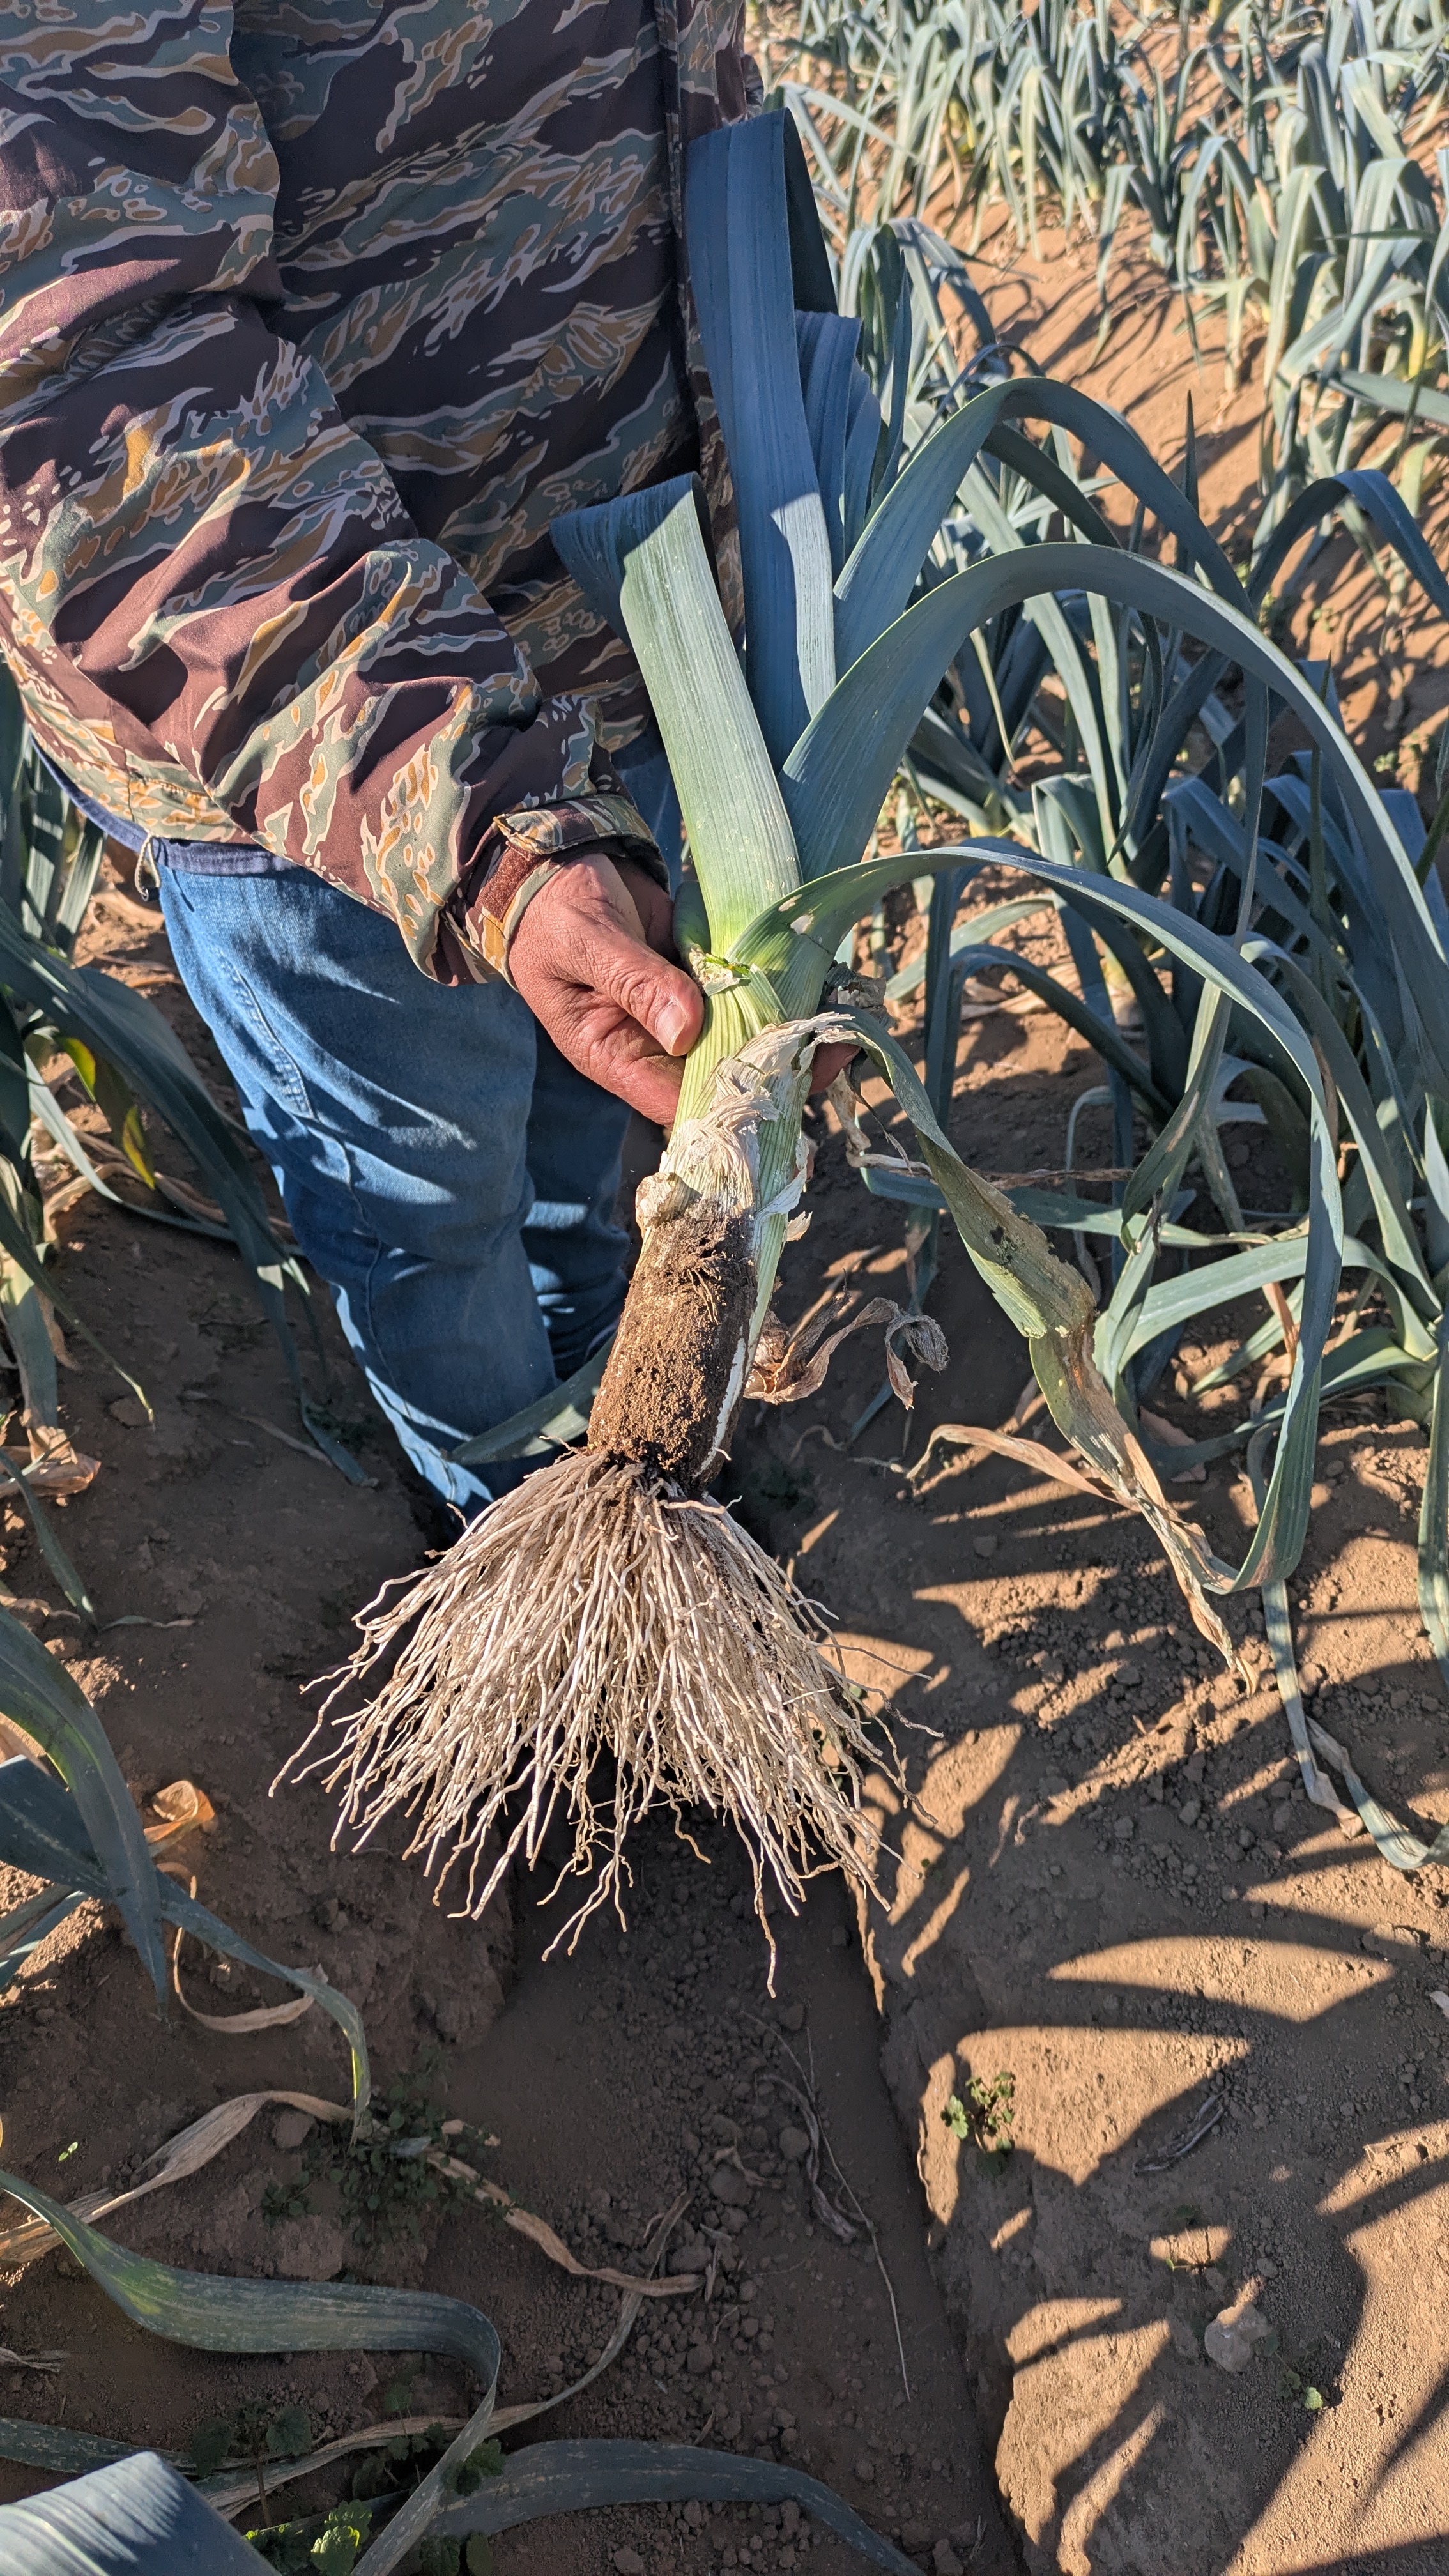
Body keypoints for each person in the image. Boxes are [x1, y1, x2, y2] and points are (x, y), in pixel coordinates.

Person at [0, 0, 827, 1514]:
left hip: (634, 642)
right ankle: (515, 1560)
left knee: (600, 1154)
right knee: (431, 1218)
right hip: (327, 783)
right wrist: (485, 828)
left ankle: (632, 1507)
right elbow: (77, 402)